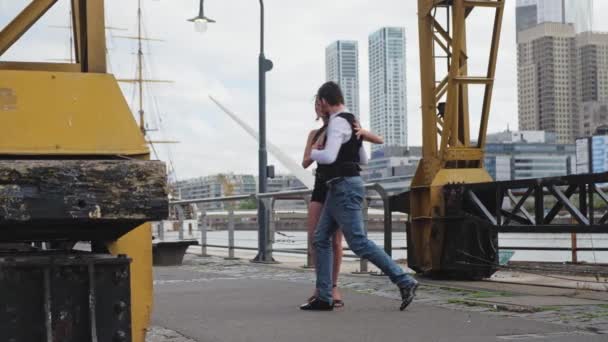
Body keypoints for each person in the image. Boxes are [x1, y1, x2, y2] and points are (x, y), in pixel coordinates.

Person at [300, 81, 418, 312]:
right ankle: (324, 296)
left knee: (358, 242)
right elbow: (363, 160)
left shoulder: (336, 123)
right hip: (339, 187)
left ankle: (404, 280)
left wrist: (314, 150)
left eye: (319, 103)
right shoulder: (352, 122)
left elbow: (330, 156)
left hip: (344, 186)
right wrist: (359, 138)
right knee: (321, 238)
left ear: (324, 102)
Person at [302, 98, 384, 307]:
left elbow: (365, 151)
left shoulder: (343, 126)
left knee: (336, 241)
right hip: (321, 184)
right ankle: (322, 286)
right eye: (316, 107)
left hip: (338, 185)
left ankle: (332, 287)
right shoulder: (316, 133)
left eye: (320, 105)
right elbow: (305, 162)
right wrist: (315, 149)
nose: (319, 109)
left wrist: (364, 133)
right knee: (316, 238)